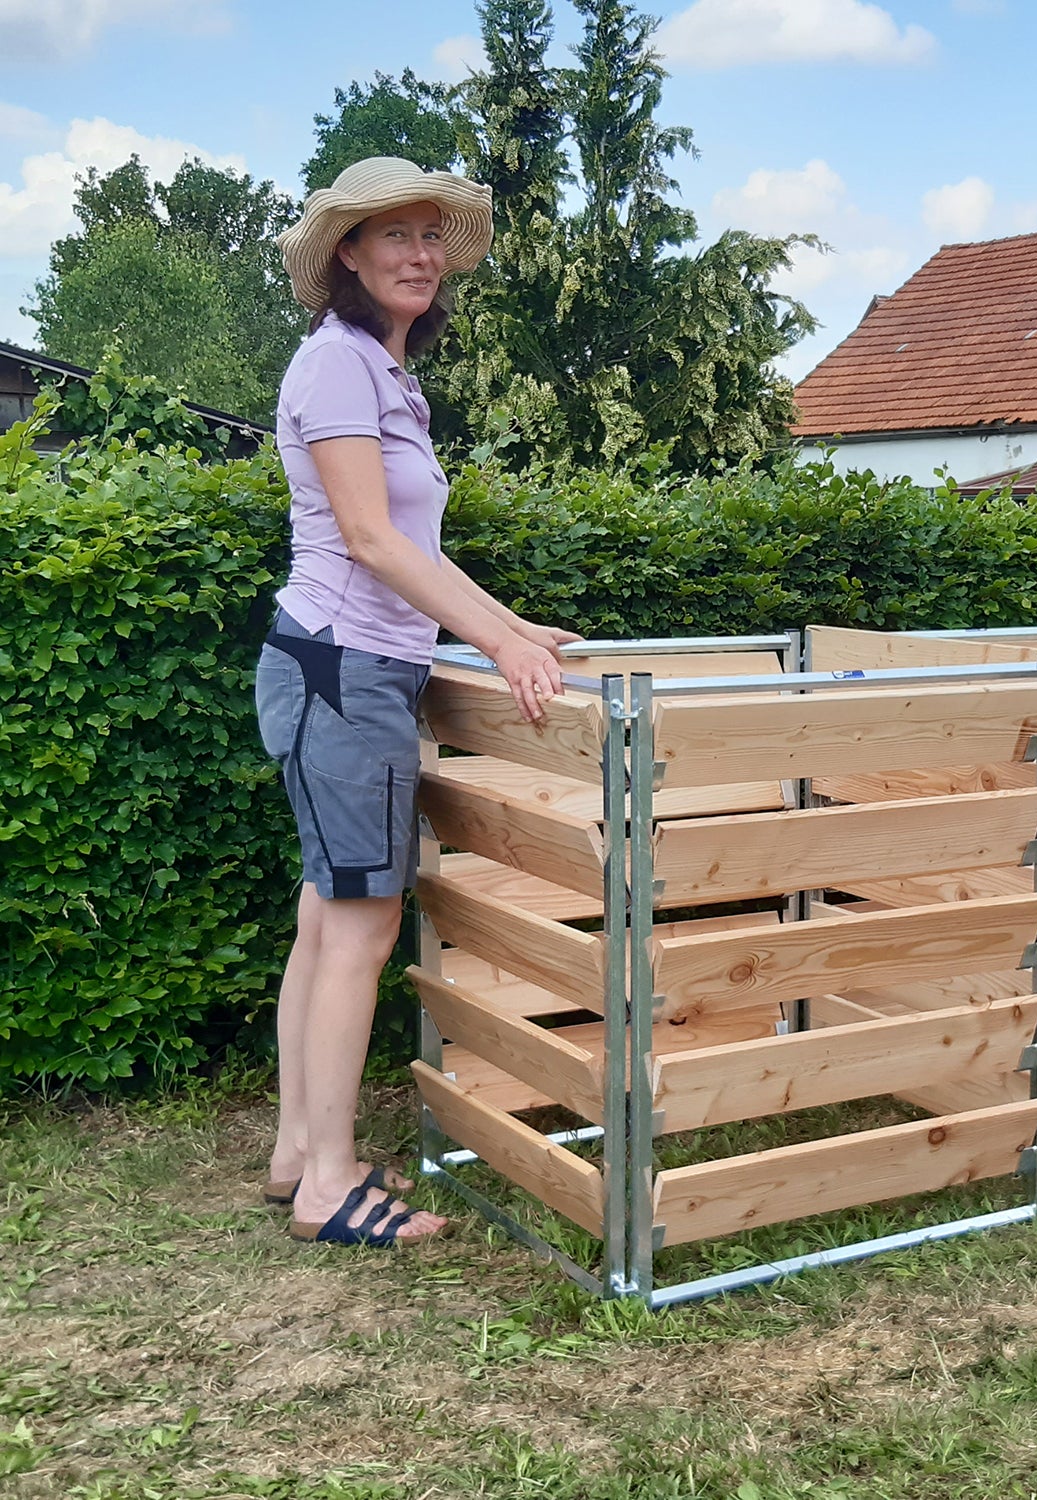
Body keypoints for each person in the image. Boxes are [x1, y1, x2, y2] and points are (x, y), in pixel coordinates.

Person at [259, 157, 578, 1247]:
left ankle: (303, 1148)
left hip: (344, 667)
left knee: (325, 915)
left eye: (430, 237)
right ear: (346, 253)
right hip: (341, 671)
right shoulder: (339, 365)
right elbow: (371, 539)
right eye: (392, 235)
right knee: (360, 923)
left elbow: (420, 547)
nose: (418, 254)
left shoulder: (384, 375)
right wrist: (490, 638)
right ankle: (329, 1187)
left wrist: (512, 626)